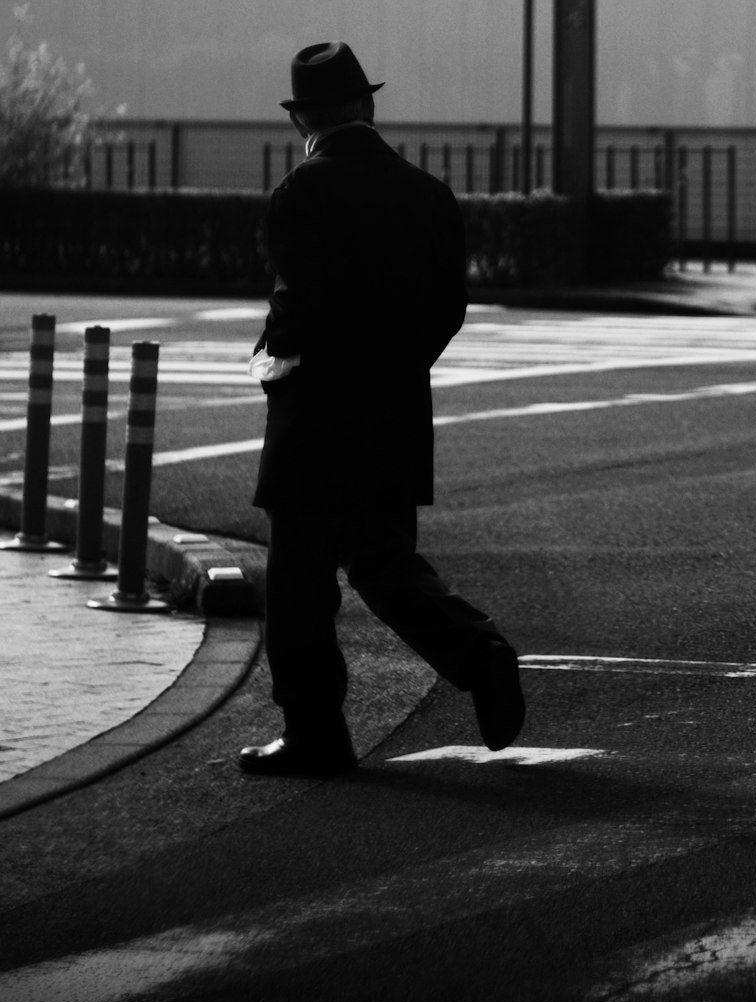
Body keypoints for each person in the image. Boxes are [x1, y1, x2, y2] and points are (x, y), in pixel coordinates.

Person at [238, 41, 525, 777]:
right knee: (386, 564)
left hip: (313, 420)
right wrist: (397, 366)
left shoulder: (300, 193)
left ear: (303, 118)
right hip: (394, 411)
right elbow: (449, 307)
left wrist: (277, 359)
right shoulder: (428, 194)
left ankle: (316, 734)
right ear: (367, 106)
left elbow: (292, 311)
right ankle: (478, 650)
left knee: (300, 584)